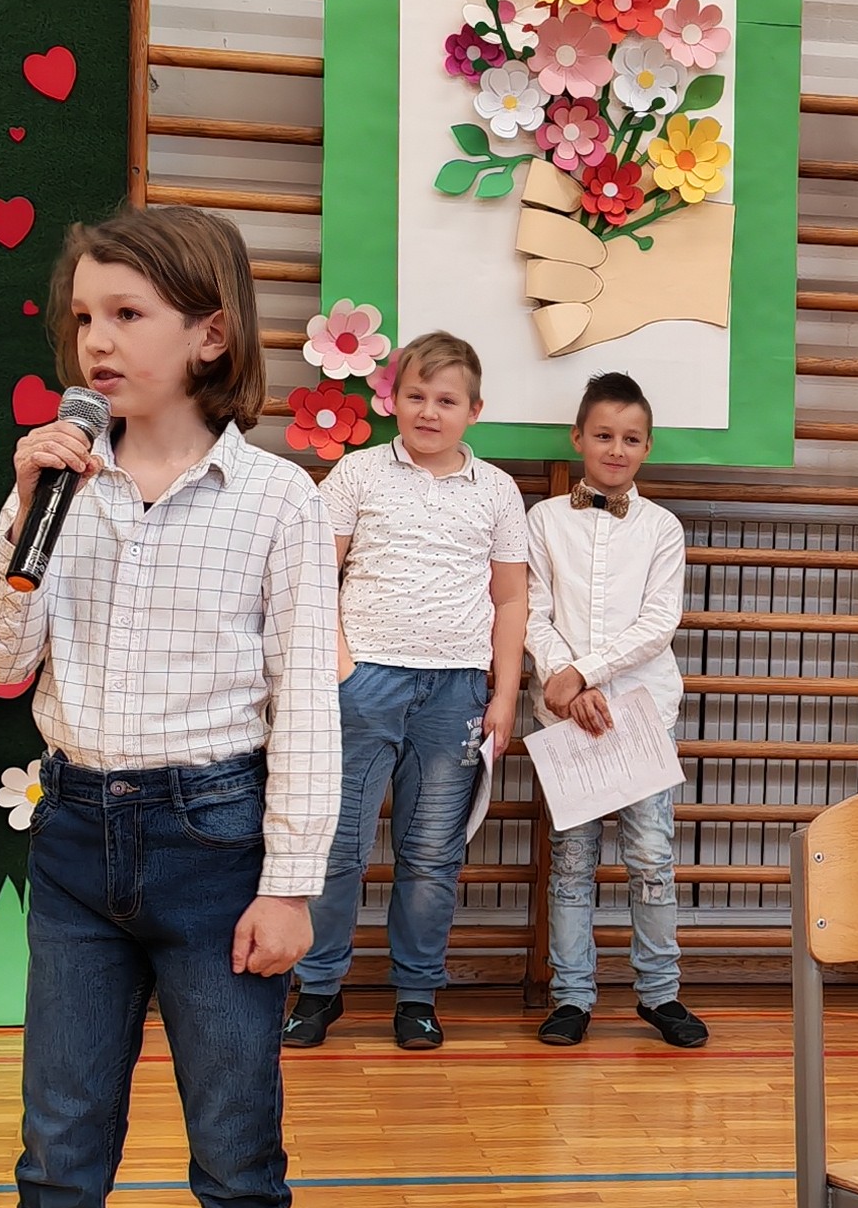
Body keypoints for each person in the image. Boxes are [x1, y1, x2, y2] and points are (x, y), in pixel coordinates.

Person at [0, 205, 338, 1208]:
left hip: (213, 845)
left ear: (210, 334)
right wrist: (25, 513)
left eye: (127, 315)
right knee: (60, 1167)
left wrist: (290, 883)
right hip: (78, 844)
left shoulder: (279, 502)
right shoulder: (58, 488)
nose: (98, 341)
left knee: (236, 1171)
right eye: (84, 317)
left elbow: (305, 702)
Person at [285, 332, 530, 1054]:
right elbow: (314, 574)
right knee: (339, 847)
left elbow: (511, 599)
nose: (429, 411)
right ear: (392, 400)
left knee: (431, 854)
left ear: (474, 410)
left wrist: (504, 695)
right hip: (364, 684)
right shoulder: (357, 473)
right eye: (415, 395)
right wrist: (340, 664)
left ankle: (417, 996)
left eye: (446, 400)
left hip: (456, 691)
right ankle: (318, 988)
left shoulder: (498, 490)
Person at [527, 373, 702, 1050]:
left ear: (647, 446)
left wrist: (588, 671)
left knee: (652, 858)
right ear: (579, 438)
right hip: (565, 719)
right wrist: (566, 682)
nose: (616, 449)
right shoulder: (544, 521)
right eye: (603, 435)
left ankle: (660, 994)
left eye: (631, 439)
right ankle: (571, 996)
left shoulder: (662, 528)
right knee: (571, 861)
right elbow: (532, 612)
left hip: (642, 715)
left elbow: (658, 622)